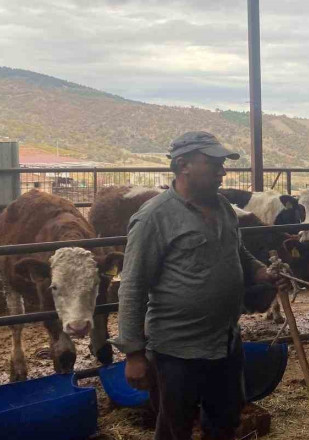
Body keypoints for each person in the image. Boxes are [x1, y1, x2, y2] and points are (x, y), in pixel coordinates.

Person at [111, 131, 290, 440]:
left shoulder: (222, 207)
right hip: (176, 351)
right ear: (183, 165)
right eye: (214, 163)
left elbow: (237, 252)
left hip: (226, 341)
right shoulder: (155, 217)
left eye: (223, 164)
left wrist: (262, 273)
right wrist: (134, 354)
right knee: (174, 428)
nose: (223, 171)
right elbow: (132, 287)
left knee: (225, 422)